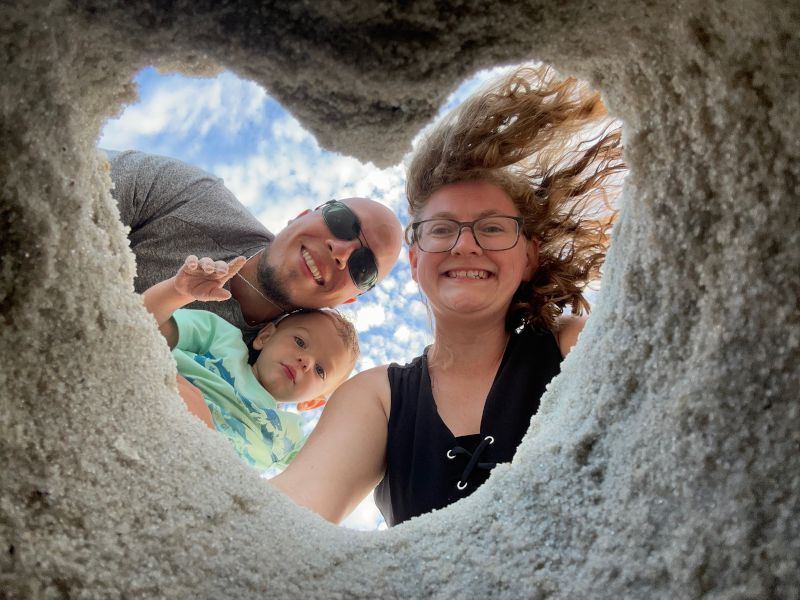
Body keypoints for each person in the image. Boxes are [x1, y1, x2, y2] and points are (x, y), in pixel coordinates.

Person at [271, 66, 625, 525]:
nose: (465, 244)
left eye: (492, 227)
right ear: (416, 263)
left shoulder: (571, 346)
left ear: (530, 258)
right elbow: (291, 516)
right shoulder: (379, 397)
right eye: (441, 230)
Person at [104, 149, 403, 347]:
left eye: (363, 268)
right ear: (301, 215)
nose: (341, 252)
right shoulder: (193, 195)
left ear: (347, 301)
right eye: (342, 222)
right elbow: (71, 187)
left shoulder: (280, 367)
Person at [142, 254, 359, 470]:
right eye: (300, 342)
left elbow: (328, 475)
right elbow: (146, 324)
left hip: (197, 478)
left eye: (320, 370)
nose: (306, 362)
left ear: (313, 403)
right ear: (265, 336)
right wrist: (177, 292)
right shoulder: (223, 340)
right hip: (153, 405)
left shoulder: (291, 436)